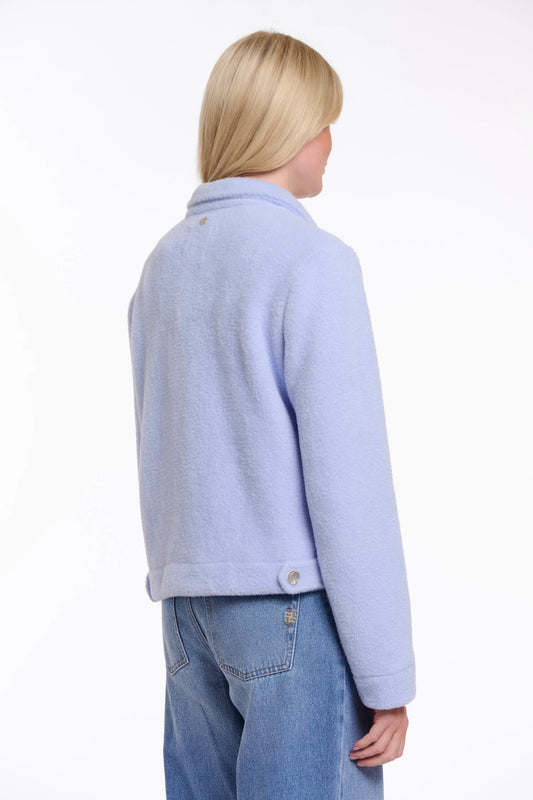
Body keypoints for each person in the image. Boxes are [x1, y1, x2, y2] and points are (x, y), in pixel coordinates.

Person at [128, 30, 416, 800]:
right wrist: (386, 677)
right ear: (288, 130)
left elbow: (160, 447)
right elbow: (348, 483)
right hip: (290, 613)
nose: (330, 143)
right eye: (324, 122)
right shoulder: (311, 262)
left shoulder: (163, 265)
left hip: (187, 613)